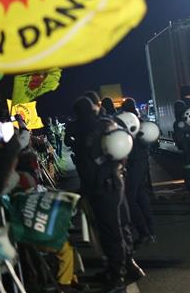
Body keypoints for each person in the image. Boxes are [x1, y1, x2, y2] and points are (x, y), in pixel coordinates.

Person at [70, 97, 144, 290]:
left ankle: (117, 275)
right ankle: (129, 265)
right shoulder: (108, 123)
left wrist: (87, 188)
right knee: (123, 225)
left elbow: (88, 166)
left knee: (111, 232)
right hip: (117, 181)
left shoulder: (88, 131)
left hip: (102, 187)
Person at [119, 97, 156, 246]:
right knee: (142, 197)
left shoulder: (126, 122)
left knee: (130, 198)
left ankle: (143, 232)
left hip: (133, 162)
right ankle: (151, 231)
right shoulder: (141, 120)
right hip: (142, 162)